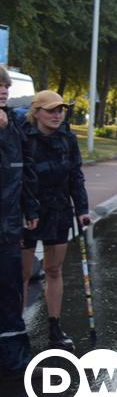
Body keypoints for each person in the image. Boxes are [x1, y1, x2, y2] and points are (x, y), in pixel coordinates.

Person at [18, 91, 91, 350]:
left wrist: (82, 208)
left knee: (53, 269)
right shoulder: (22, 137)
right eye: (50, 110)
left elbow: (76, 175)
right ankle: (17, 330)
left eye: (60, 110)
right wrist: (26, 210)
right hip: (28, 212)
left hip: (59, 209)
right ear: (36, 112)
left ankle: (54, 327)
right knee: (23, 274)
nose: (57, 115)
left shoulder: (67, 138)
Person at [0, 66, 39, 376]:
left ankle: (15, 359)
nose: (3, 91)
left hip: (9, 228)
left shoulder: (13, 126)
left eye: (5, 86)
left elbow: (24, 173)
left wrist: (31, 211)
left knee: (11, 292)